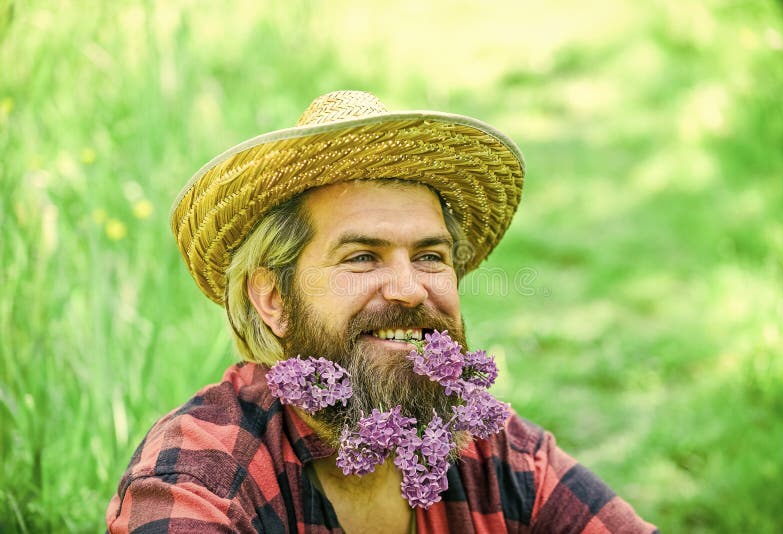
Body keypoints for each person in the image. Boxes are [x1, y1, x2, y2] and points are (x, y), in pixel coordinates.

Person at [106, 90, 657, 533]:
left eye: (430, 256)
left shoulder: (498, 454)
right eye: (363, 256)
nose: (410, 289)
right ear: (272, 298)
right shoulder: (204, 478)